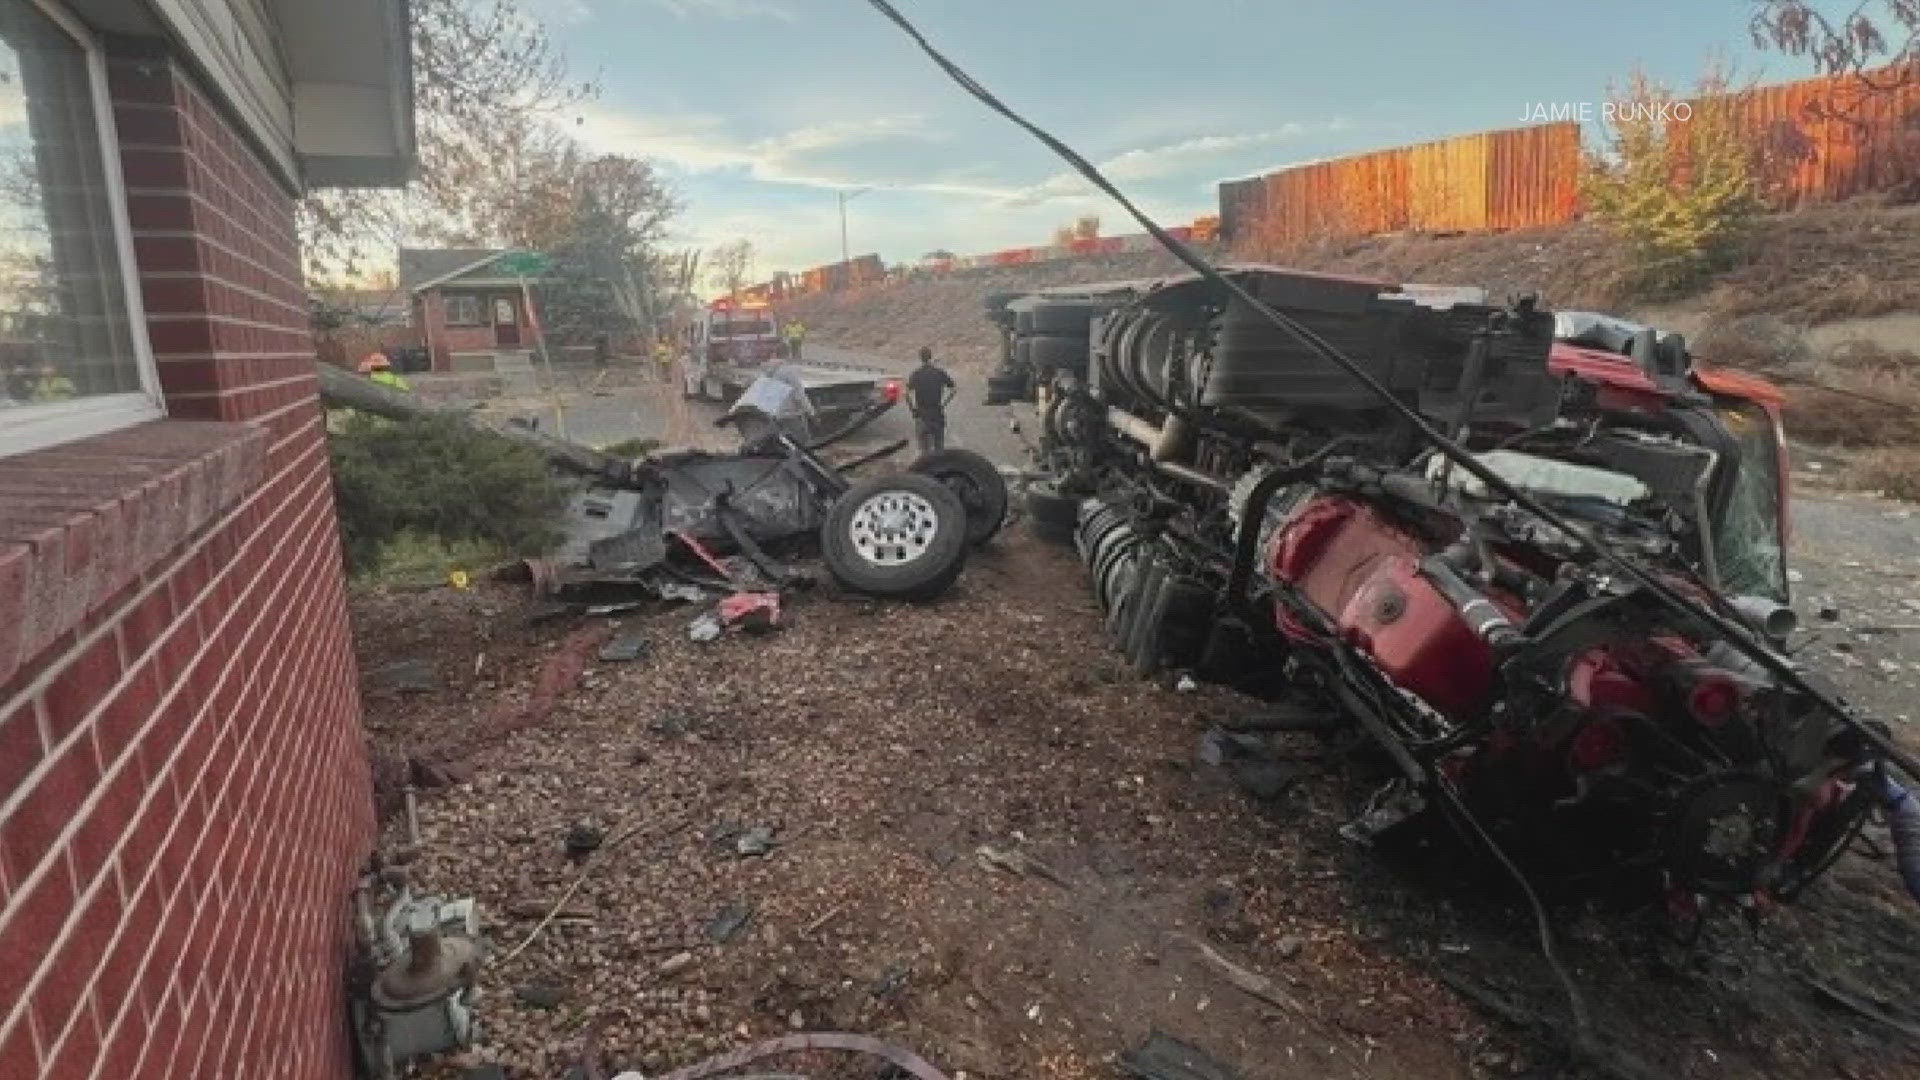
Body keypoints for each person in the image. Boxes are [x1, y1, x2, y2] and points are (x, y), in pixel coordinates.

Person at [728, 354, 816, 446]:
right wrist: (811, 412)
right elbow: (799, 396)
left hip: (771, 416)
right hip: (791, 416)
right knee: (804, 443)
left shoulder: (763, 373)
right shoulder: (788, 372)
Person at [904, 346, 955, 454]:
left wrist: (913, 410)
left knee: (923, 451)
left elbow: (906, 393)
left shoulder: (916, 374)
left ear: (920, 358)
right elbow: (954, 390)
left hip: (922, 415)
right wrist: (944, 404)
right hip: (937, 414)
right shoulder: (940, 373)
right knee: (939, 449)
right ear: (930, 357)